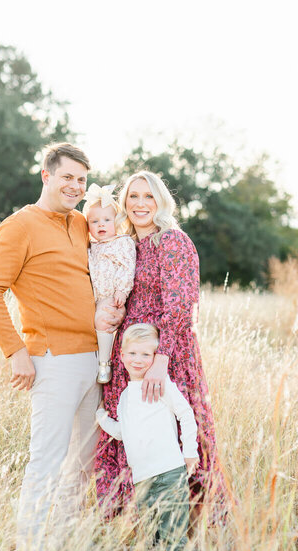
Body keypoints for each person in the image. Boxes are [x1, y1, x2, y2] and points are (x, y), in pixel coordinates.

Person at [0, 143, 124, 551]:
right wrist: (15, 352)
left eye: (81, 179)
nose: (75, 186)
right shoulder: (19, 226)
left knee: (81, 467)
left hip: (94, 363)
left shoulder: (81, 223)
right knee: (45, 462)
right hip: (52, 362)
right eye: (67, 177)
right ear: (46, 176)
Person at [95, 170, 226, 521]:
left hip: (167, 357)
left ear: (160, 202)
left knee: (176, 435)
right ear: (123, 202)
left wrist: (161, 360)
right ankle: (131, 530)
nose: (140, 204)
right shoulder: (126, 244)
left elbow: (182, 306)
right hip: (130, 360)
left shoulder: (172, 241)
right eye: (133, 196)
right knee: (132, 439)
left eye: (148, 196)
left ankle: (194, 529)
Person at [96, 323, 198, 551]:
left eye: (145, 354)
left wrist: (190, 451)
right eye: (132, 353)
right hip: (142, 478)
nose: (138, 360)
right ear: (121, 356)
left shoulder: (161, 385)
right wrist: (101, 417)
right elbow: (124, 432)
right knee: (151, 535)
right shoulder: (123, 396)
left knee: (174, 535)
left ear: (155, 357)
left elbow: (186, 413)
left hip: (169, 471)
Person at [83, 183, 136, 383]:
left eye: (107, 220)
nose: (101, 225)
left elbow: (128, 267)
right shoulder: (92, 246)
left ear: (117, 222)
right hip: (97, 298)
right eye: (94, 221)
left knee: (104, 320)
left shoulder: (122, 242)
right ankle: (97, 360)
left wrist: (122, 290)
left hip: (113, 296)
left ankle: (104, 364)